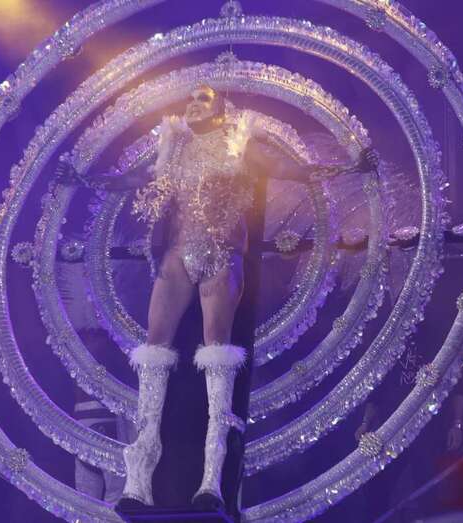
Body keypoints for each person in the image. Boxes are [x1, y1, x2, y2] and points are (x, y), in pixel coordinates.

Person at [82, 84, 379, 511]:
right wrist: (84, 179)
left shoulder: (240, 145)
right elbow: (131, 180)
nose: (192, 104)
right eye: (190, 99)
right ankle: (138, 482)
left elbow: (295, 170)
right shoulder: (174, 147)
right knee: (154, 354)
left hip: (221, 258)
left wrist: (349, 167)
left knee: (217, 357)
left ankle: (211, 480)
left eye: (202, 99)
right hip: (177, 258)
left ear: (221, 109)